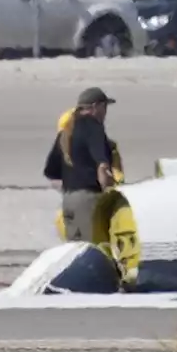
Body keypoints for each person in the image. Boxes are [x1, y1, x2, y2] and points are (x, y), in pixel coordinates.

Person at [43, 87, 118, 243]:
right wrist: (110, 188)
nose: (105, 113)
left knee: (76, 251)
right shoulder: (93, 127)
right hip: (89, 200)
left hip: (69, 200)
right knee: (96, 249)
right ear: (96, 106)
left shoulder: (66, 131)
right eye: (104, 107)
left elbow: (51, 171)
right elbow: (101, 163)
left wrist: (73, 174)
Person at [51, 107, 126, 241]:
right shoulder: (100, 146)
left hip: (72, 205)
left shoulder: (68, 147)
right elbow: (116, 177)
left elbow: (53, 174)